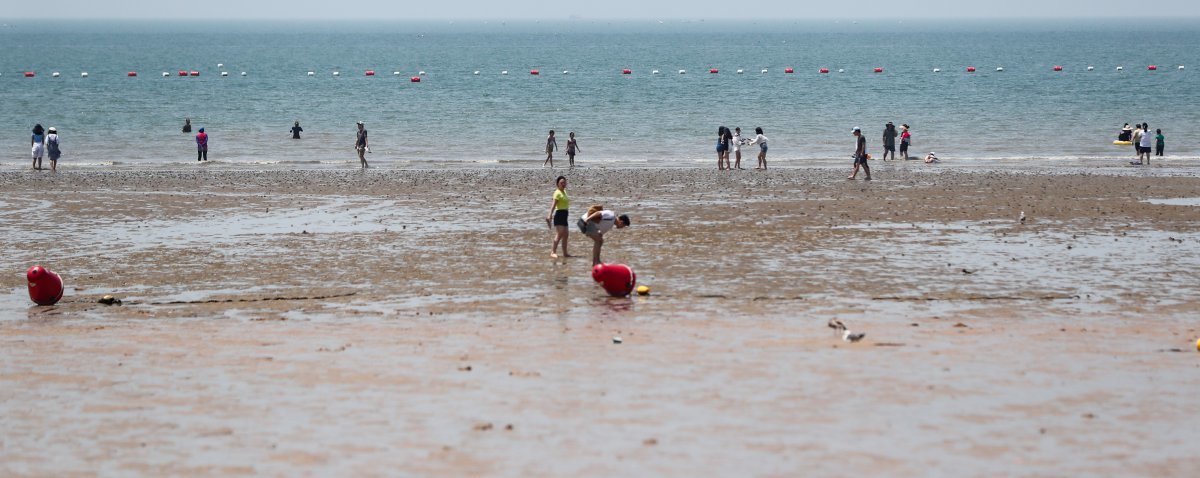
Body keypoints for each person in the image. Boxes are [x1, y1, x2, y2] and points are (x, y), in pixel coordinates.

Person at [545, 176, 572, 258]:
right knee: (559, 234)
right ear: (558, 184)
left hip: (565, 215)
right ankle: (553, 252)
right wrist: (549, 214)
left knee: (566, 234)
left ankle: (565, 253)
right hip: (559, 215)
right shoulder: (557, 193)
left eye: (564, 182)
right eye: (561, 183)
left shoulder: (564, 192)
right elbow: (553, 205)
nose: (563, 184)